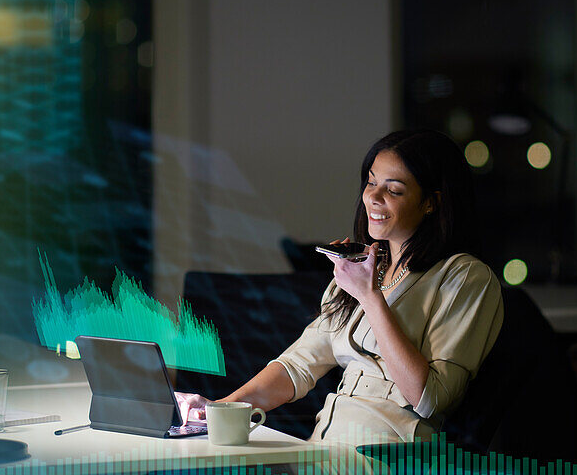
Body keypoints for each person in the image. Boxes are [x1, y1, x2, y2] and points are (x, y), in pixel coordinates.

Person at [177, 129, 504, 445]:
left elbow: (430, 399)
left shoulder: (464, 277)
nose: (373, 197)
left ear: (431, 203)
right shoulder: (363, 268)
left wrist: (369, 296)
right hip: (324, 446)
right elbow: (298, 366)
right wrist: (220, 409)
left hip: (390, 459)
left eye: (394, 190)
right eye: (371, 182)